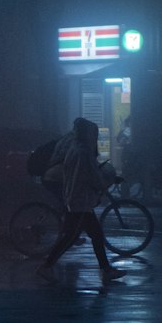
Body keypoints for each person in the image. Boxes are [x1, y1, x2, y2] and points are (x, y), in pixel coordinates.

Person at [37, 117, 123, 283]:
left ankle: (106, 269)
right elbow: (91, 176)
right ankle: (46, 266)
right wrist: (105, 184)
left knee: (90, 235)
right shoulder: (83, 152)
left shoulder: (76, 149)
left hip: (77, 200)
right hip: (80, 202)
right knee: (71, 237)